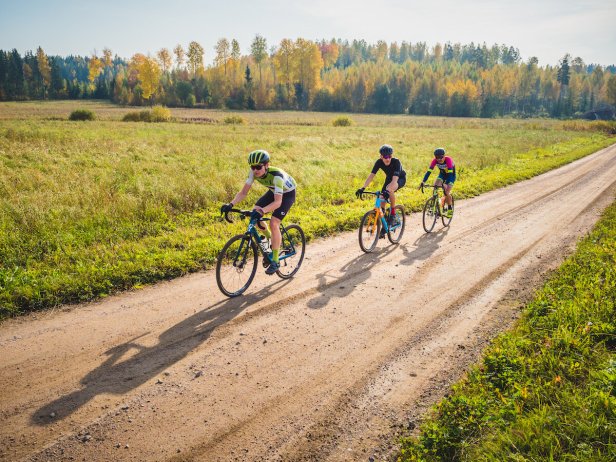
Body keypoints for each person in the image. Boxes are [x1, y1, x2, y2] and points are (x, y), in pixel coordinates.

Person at [221, 150, 297, 275]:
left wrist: (262, 211)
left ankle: (275, 261)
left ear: (267, 165)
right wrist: (230, 204)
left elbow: (278, 202)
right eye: (253, 167)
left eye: (258, 167)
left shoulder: (277, 176)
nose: (255, 170)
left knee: (274, 223)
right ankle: (271, 240)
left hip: (287, 194)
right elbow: (243, 193)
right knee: (254, 215)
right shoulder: (253, 173)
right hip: (273, 191)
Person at [355, 144, 406, 233]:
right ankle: (385, 224)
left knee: (390, 189)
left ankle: (393, 214)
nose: (388, 159)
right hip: (389, 179)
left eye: (389, 156)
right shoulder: (379, 162)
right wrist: (363, 188)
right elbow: (371, 176)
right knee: (382, 199)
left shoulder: (396, 162)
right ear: (381, 156)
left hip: (399, 178)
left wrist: (387, 191)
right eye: (385, 157)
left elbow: (394, 181)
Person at [420, 148, 456, 217]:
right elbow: (429, 172)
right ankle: (434, 204)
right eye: (437, 157)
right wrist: (423, 181)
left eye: (441, 157)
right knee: (435, 186)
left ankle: (449, 208)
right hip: (442, 175)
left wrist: (446, 183)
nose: (439, 159)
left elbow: (450, 174)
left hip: (451, 176)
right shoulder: (434, 161)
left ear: (444, 156)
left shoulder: (448, 160)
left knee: (446, 192)